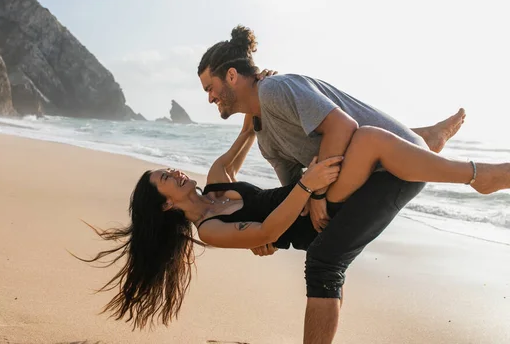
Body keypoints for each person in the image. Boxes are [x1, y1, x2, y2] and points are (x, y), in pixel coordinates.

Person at [193, 25, 508, 344]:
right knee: (325, 257)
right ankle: (427, 141)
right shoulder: (265, 138)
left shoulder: (275, 89)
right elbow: (291, 190)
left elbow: (343, 126)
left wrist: (315, 192)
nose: (210, 98)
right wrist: (270, 229)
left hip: (388, 168)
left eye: (210, 87)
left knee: (364, 149)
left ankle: (467, 168)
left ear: (231, 75)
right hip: (368, 175)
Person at [77, 113, 510, 339]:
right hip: (313, 215)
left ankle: (428, 143)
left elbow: (236, 150)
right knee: (370, 145)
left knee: (367, 143)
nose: (173, 172)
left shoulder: (215, 185)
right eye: (165, 180)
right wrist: (306, 186)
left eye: (167, 169)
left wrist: (253, 119)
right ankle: (469, 169)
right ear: (168, 207)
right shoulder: (209, 228)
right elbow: (266, 233)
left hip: (315, 194)